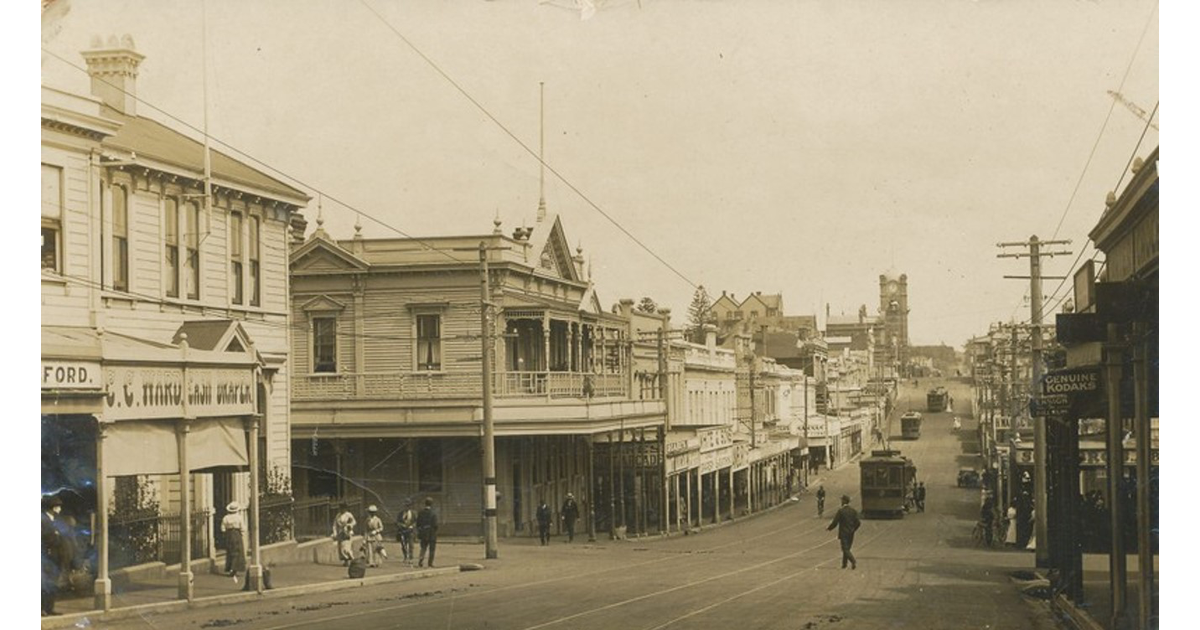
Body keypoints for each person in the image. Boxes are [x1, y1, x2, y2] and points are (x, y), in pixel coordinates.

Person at [41, 495, 65, 616]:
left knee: (52, 583)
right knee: (44, 583)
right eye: (58, 506)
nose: (59, 509)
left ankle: (49, 608)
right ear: (52, 508)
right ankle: (42, 609)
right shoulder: (42, 520)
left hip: (54, 556)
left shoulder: (53, 520)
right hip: (45, 556)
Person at [826, 495, 860, 569]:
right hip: (851, 533)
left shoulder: (841, 511)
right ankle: (844, 564)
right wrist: (853, 529)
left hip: (843, 532)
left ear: (844, 501)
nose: (841, 502)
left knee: (845, 549)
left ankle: (853, 561)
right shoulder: (853, 511)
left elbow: (835, 522)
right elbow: (858, 522)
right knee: (847, 548)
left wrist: (829, 528)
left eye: (842, 500)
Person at [222, 501, 248, 578]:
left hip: (229, 534)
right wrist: (242, 534)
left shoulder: (226, 517)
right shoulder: (239, 517)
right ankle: (234, 569)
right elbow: (242, 527)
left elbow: (223, 528)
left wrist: (225, 534)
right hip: (236, 534)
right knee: (238, 551)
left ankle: (230, 568)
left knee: (230, 551)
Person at [416, 497, 439, 567]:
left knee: (423, 548)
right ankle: (430, 563)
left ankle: (420, 561)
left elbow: (418, 524)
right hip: (431, 534)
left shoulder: (420, 513)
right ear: (431, 504)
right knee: (432, 549)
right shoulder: (433, 513)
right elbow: (435, 525)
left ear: (425, 504)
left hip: (423, 533)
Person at [396, 499, 417, 565]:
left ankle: (411, 558)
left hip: (410, 531)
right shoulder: (400, 514)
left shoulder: (413, 513)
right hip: (403, 531)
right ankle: (405, 557)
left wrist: (412, 526)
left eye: (408, 506)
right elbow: (397, 522)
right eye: (405, 506)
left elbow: (416, 522)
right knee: (403, 545)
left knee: (411, 545)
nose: (407, 507)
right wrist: (401, 525)